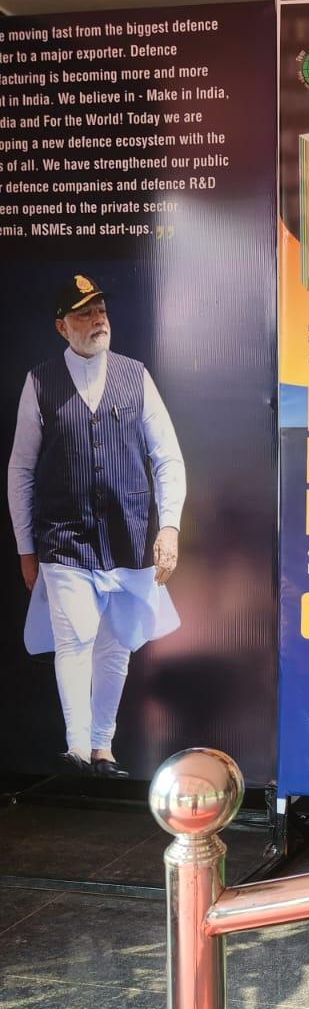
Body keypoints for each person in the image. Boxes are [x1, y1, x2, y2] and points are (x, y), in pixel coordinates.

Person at [7, 276, 186, 776]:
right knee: (75, 639)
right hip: (63, 537)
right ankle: (77, 751)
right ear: (62, 326)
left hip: (129, 535)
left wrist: (169, 526)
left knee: (116, 644)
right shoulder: (40, 382)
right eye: (84, 314)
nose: (97, 320)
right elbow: (21, 469)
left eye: (101, 310)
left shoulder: (135, 376)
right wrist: (25, 546)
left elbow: (168, 457)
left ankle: (102, 748)